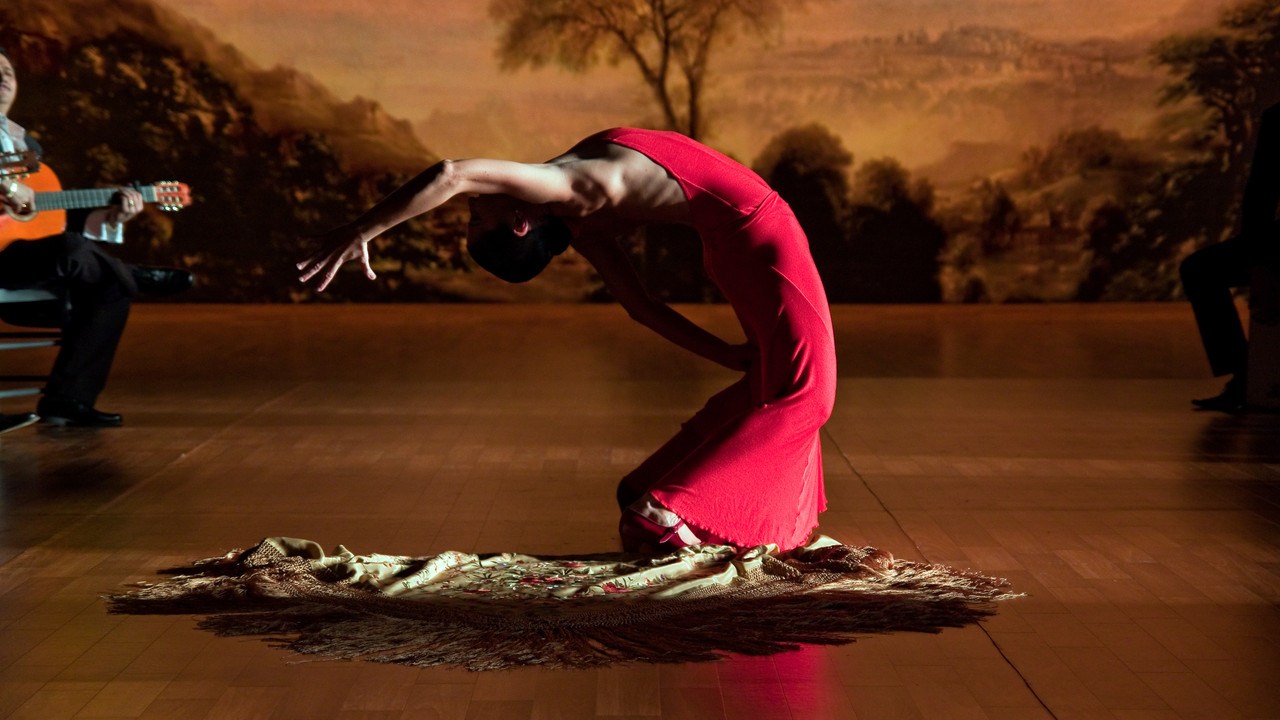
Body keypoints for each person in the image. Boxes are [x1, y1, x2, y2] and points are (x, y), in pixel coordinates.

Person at [299, 128, 837, 553]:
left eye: (470, 213)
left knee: (774, 383)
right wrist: (361, 231)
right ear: (517, 222)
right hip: (762, 232)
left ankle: (652, 489)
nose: (474, 201)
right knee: (809, 395)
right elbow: (452, 173)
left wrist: (725, 356)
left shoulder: (579, 214)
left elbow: (642, 308)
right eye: (477, 213)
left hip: (737, 246)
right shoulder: (567, 189)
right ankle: (662, 509)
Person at [0, 47, 192, 427]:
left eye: (8, 72)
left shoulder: (26, 145)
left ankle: (68, 400)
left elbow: (45, 222)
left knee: (109, 285)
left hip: (18, 256)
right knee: (95, 264)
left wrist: (112, 216)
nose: (3, 79)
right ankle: (133, 273)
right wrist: (5, 182)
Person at [1180, 101, 1280, 411]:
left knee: (1201, 269)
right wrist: (1259, 263)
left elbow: (1261, 194)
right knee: (1200, 269)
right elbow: (1260, 195)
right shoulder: (1278, 118)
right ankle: (1246, 374)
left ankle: (1247, 378)